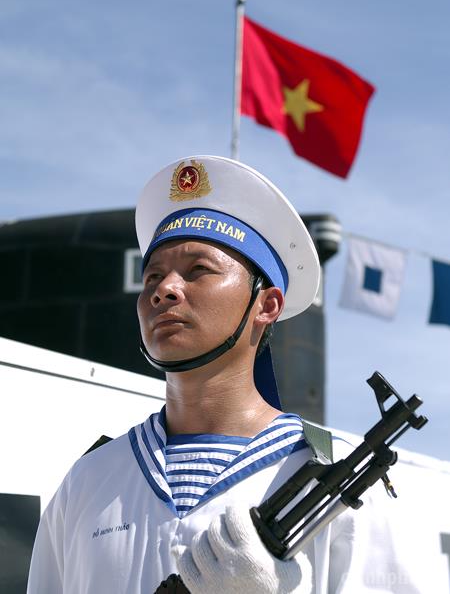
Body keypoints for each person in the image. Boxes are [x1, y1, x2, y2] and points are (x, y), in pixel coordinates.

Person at [27, 156, 418, 594]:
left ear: (267, 305)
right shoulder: (88, 481)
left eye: (198, 270)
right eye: (152, 276)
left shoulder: (337, 476)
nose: (163, 289)